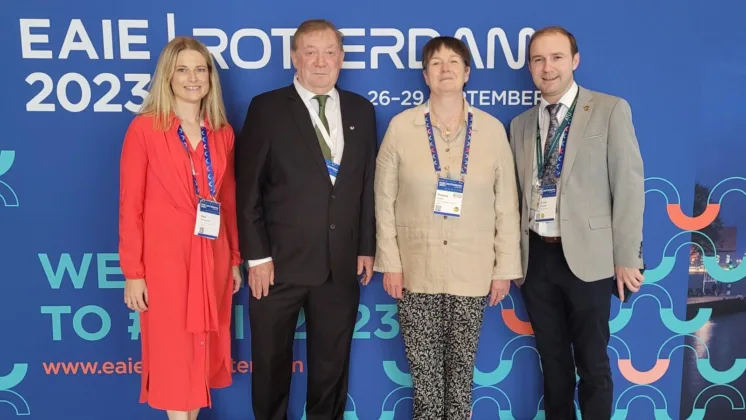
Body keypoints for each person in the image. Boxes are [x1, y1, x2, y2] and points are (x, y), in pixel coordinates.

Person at [234, 19, 377, 420]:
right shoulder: (267, 108)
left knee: (332, 368)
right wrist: (257, 257)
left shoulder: (361, 111)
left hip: (339, 265)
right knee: (270, 365)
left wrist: (366, 246)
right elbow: (248, 191)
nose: (320, 61)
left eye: (329, 52)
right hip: (277, 266)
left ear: (341, 58)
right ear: (294, 58)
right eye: (310, 52)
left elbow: (366, 184)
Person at [374, 36, 523, 419]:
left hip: (471, 272)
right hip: (416, 271)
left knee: (460, 380)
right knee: (425, 381)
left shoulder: (490, 130)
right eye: (436, 63)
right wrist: (390, 262)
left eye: (453, 62)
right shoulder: (401, 127)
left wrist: (504, 269)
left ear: (467, 72)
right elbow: (383, 200)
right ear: (425, 75)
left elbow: (506, 204)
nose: (445, 69)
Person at [508, 26, 645, 419]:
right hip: (536, 260)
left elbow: (629, 187)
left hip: (590, 260)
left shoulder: (609, 109)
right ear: (530, 66)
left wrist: (627, 257)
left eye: (556, 58)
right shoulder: (520, 125)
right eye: (538, 59)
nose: (547, 68)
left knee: (593, 365)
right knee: (552, 365)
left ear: (574, 61)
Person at [119, 36, 242, 420]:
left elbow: (229, 200)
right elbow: (130, 207)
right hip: (166, 262)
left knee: (200, 352)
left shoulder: (221, 132)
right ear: (167, 77)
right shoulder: (144, 129)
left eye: (200, 69)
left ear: (210, 77)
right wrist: (133, 274)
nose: (193, 78)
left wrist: (235, 259)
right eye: (183, 69)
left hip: (213, 256)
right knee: (174, 354)